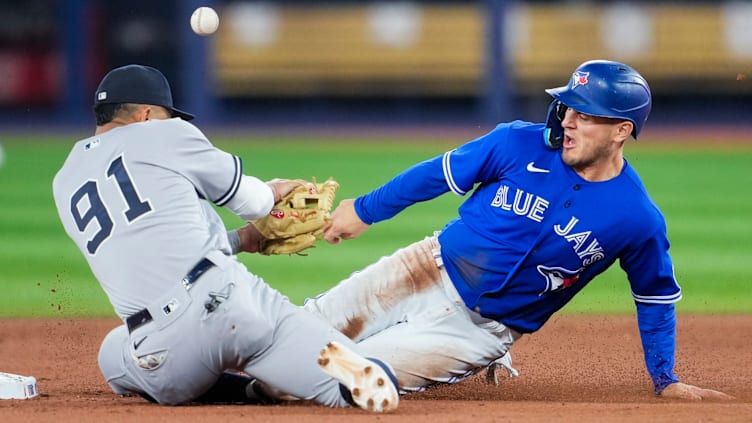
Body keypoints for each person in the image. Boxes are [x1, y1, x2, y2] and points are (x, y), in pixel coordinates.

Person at [301, 60, 732, 400]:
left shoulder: (637, 218)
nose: (567, 121)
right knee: (298, 333)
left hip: (477, 333)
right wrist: (364, 210)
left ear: (622, 130)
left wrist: (665, 378)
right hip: (423, 267)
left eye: (585, 115)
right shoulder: (515, 143)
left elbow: (654, 296)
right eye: (568, 108)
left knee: (347, 376)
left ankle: (242, 393)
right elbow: (433, 175)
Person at [52, 64, 399, 412]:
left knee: (112, 354)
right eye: (165, 114)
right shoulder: (164, 132)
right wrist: (274, 189)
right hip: (234, 308)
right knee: (290, 338)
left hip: (161, 353)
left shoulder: (64, 181)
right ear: (145, 114)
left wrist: (242, 240)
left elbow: (154, 247)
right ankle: (329, 373)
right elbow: (253, 203)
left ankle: (247, 391)